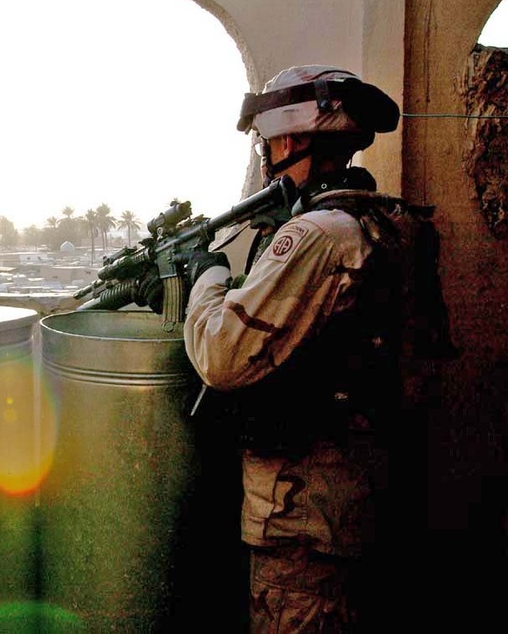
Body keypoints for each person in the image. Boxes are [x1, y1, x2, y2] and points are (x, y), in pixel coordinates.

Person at [176, 65, 408, 632]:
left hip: (300, 517)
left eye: (264, 142)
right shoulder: (375, 220)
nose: (262, 157)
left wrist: (206, 275)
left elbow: (222, 357)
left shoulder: (313, 236)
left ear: (289, 140)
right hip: (341, 503)